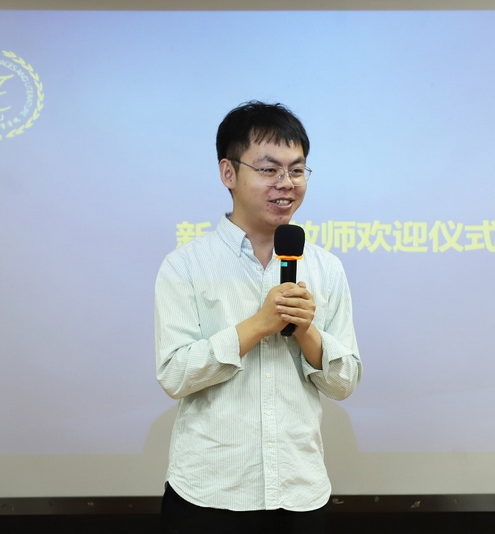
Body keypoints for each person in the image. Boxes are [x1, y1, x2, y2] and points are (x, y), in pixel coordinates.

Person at [154, 101, 362, 534]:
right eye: (269, 170)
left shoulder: (326, 268)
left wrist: (306, 332)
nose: (286, 184)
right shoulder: (185, 265)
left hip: (299, 492)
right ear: (228, 173)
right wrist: (258, 325)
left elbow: (344, 383)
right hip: (209, 496)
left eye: (297, 170)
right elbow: (174, 374)